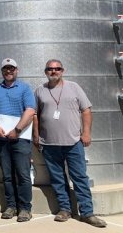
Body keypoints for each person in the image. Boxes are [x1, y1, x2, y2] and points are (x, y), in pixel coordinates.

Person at [33, 59, 107, 228]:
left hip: (73, 142)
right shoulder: (40, 90)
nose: (54, 71)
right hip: (49, 144)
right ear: (45, 72)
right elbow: (35, 115)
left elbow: (86, 110)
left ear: (63, 71)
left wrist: (86, 133)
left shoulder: (74, 87)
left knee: (80, 177)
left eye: (57, 69)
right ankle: (65, 209)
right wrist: (36, 135)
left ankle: (87, 213)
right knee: (58, 179)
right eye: (50, 69)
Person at [0, 58, 36, 222]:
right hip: (1, 138)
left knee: (22, 174)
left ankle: (25, 208)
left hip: (20, 138)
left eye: (11, 68)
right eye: (5, 69)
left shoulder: (25, 89)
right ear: (2, 71)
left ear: (17, 70)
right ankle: (11, 206)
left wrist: (17, 130)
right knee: (7, 175)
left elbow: (30, 111)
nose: (9, 71)